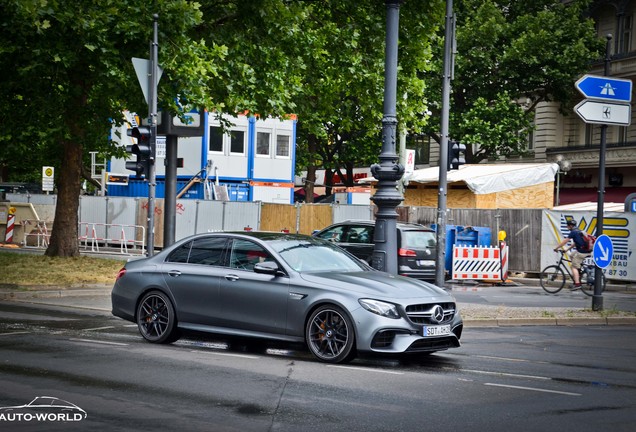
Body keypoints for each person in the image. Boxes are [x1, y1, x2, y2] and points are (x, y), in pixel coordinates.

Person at [554, 219, 590, 289]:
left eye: (567, 226)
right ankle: (578, 271)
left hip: (582, 252)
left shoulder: (573, 232)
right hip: (585, 250)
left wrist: (556, 248)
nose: (567, 227)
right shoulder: (579, 231)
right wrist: (567, 250)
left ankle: (577, 284)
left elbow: (565, 241)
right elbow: (575, 243)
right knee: (571, 255)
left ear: (570, 226)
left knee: (573, 267)